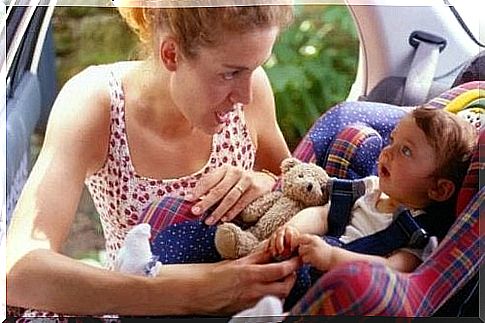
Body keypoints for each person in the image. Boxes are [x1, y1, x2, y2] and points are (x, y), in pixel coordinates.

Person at [6, 3, 301, 317]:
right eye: (230, 73)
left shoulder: (251, 89)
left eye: (255, 67)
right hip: (137, 308)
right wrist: (199, 292)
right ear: (171, 54)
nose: (245, 95)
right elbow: (18, 271)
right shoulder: (98, 103)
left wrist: (265, 181)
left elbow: (300, 190)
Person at [266, 106, 477, 274]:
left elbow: (392, 270)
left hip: (344, 286)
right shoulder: (369, 187)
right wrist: (292, 229)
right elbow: (323, 215)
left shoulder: (418, 234)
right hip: (311, 261)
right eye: (392, 140)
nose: (387, 152)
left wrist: (332, 258)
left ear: (439, 189)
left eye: (405, 150)